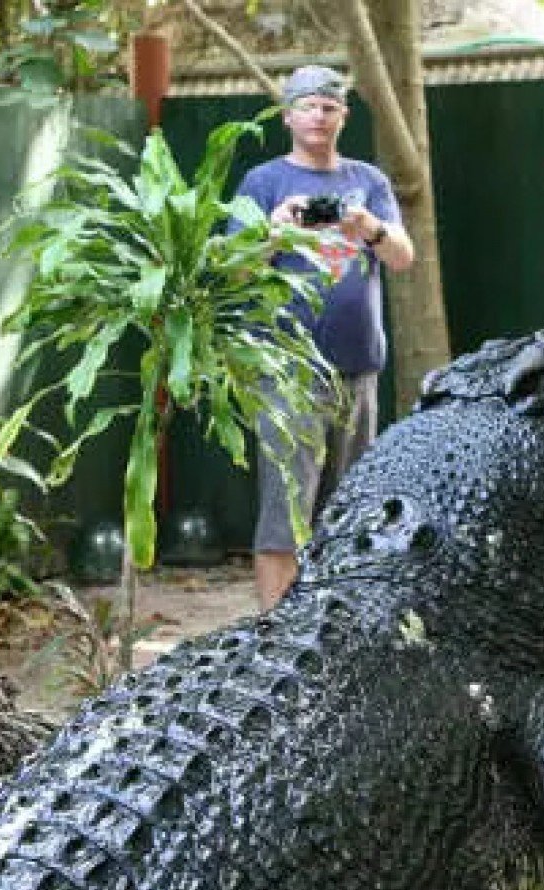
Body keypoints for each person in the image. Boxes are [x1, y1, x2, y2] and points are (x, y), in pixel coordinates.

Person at [233, 64, 415, 610]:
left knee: (353, 511)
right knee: (285, 514)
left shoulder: (369, 182)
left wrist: (369, 228)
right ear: (288, 115)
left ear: (343, 116)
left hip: (357, 369)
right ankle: (276, 640)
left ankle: (336, 632)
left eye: (329, 106)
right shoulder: (263, 183)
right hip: (286, 372)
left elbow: (403, 259)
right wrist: (276, 230)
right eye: (308, 105)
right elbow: (234, 271)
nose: (319, 115)